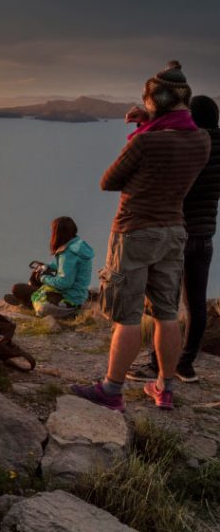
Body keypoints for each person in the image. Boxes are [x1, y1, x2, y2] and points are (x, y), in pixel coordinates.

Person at [72, 61, 209, 412]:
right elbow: (175, 140)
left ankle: (112, 389)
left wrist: (144, 131)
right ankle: (164, 387)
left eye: (148, 99)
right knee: (167, 313)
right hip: (174, 231)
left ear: (157, 98)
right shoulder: (201, 140)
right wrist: (150, 124)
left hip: (134, 231)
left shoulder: (145, 144)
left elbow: (108, 180)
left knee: (128, 316)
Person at [127, 95, 220, 384]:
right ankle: (186, 364)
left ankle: (157, 365)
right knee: (196, 304)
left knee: (164, 305)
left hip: (177, 233)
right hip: (205, 236)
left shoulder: (191, 145)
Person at [5, 217, 95, 318]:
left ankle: (28, 302)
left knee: (17, 288)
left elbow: (64, 283)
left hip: (69, 300)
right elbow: (62, 265)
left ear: (58, 233)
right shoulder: (76, 245)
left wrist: (43, 278)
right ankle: (28, 297)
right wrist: (46, 266)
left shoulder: (68, 254)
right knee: (35, 275)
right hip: (77, 296)